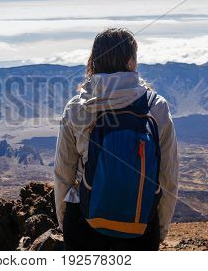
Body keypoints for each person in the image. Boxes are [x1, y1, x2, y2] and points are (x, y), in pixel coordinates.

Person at [54, 28, 179, 251]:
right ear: (131, 63)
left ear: (94, 62)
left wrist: (65, 224)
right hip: (140, 226)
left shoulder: (76, 107)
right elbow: (168, 175)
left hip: (84, 224)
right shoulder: (156, 107)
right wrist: (159, 230)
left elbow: (64, 172)